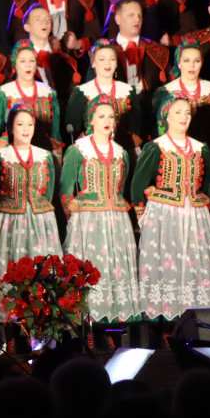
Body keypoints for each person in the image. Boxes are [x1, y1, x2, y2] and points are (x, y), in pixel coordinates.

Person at [132, 94, 210, 319]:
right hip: (164, 214)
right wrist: (143, 218)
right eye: (178, 112)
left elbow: (209, 184)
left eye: (187, 113)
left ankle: (195, 314)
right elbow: (138, 185)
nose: (184, 117)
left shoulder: (200, 148)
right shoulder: (156, 147)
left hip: (194, 214)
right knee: (167, 263)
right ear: (166, 116)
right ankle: (165, 316)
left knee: (194, 262)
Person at [60, 95, 139, 321]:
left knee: (115, 268)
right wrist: (71, 214)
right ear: (91, 120)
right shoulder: (79, 150)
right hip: (88, 220)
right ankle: (87, 320)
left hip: (116, 219)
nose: (107, 120)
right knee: (90, 267)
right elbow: (66, 188)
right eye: (101, 116)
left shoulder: (121, 153)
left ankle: (115, 319)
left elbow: (121, 187)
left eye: (111, 116)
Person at [0, 104, 62, 316]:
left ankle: (40, 327)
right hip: (10, 221)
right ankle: (10, 326)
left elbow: (50, 189)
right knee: (11, 273)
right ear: (11, 128)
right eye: (20, 124)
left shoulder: (45, 156)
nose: (26, 129)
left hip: (41, 222)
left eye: (29, 124)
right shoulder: (0, 155)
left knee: (40, 274)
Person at [0, 40, 62, 153]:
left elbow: (55, 134)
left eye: (32, 60)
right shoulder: (3, 93)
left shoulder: (47, 92)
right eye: (22, 61)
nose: (28, 65)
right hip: (11, 154)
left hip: (42, 152)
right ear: (15, 64)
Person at [65, 39, 141, 151]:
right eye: (102, 59)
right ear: (93, 63)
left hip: (122, 149)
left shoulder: (128, 91)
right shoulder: (82, 92)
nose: (107, 63)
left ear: (116, 63)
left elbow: (136, 126)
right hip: (90, 150)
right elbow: (72, 128)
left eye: (112, 59)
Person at [152, 37, 210, 151]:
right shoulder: (166, 92)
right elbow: (159, 128)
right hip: (175, 150)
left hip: (209, 149)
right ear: (179, 63)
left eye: (196, 61)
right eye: (186, 60)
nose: (192, 66)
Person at [110, 0, 169, 139]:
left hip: (150, 113)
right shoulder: (105, 50)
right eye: (131, 15)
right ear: (118, 19)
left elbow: (168, 87)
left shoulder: (157, 50)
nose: (137, 19)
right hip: (117, 113)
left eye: (139, 15)